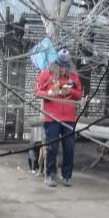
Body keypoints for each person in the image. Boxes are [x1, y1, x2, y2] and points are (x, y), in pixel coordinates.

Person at [35, 47, 83, 187]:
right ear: (56, 64)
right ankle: (50, 175)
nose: (63, 70)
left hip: (69, 118)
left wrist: (71, 91)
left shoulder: (73, 77)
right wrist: (49, 93)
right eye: (61, 66)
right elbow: (37, 91)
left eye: (66, 66)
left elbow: (79, 95)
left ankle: (67, 176)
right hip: (52, 117)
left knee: (69, 148)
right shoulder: (47, 75)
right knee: (52, 148)